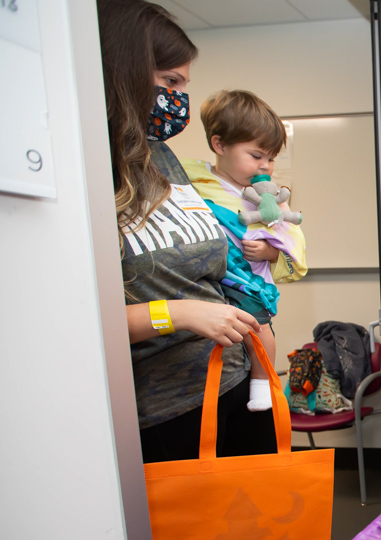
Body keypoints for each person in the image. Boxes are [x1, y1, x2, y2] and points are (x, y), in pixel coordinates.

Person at [99, 0, 276, 462]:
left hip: (232, 381)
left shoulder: (162, 157)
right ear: (126, 72)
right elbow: (80, 324)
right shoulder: (88, 171)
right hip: (165, 415)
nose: (179, 99)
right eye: (170, 82)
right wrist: (177, 314)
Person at [182, 90, 308, 412]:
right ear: (219, 145)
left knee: (258, 328)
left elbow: (296, 248)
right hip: (200, 293)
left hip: (245, 284)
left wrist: (269, 252)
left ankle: (263, 381)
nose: (265, 166)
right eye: (256, 155)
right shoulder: (188, 179)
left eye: (271, 158)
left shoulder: (271, 198)